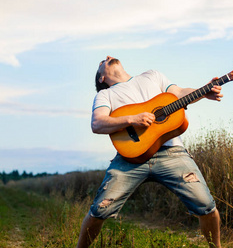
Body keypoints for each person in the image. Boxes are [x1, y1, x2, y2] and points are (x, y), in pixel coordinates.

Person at [77, 56, 223, 247]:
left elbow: (178, 93)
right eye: (101, 62)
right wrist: (131, 120)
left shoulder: (152, 76)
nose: (107, 58)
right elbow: (97, 123)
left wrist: (203, 92)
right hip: (130, 157)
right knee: (99, 210)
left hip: (171, 152)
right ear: (101, 79)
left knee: (207, 206)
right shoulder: (105, 96)